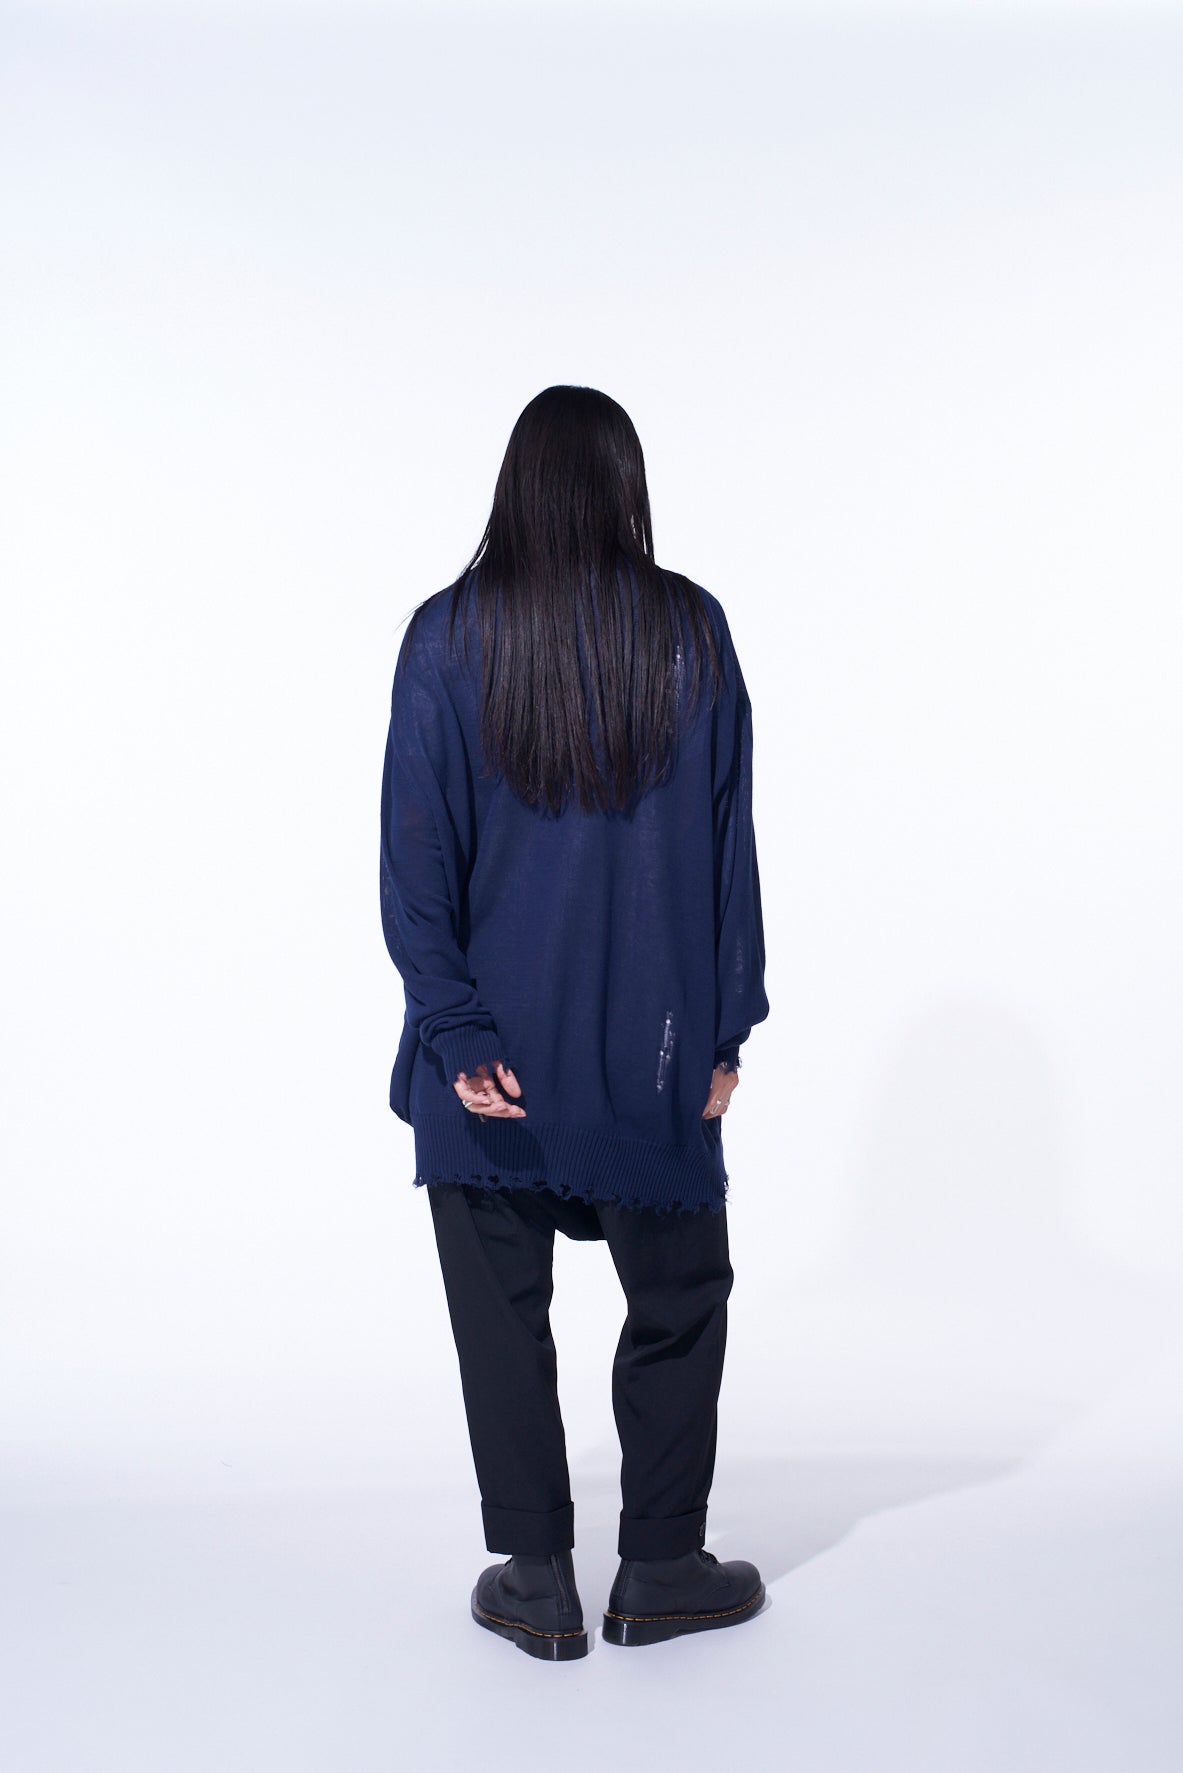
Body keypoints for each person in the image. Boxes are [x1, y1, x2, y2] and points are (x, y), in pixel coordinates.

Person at [379, 385, 770, 1661]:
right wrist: (722, 1035)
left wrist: (454, 1034)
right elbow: (728, 852)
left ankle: (536, 1576)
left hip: (490, 1062)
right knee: (680, 1296)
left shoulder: (445, 638)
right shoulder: (690, 632)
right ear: (624, 489)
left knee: (500, 1311)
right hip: (648, 1053)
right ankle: (658, 1565)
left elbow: (414, 866)